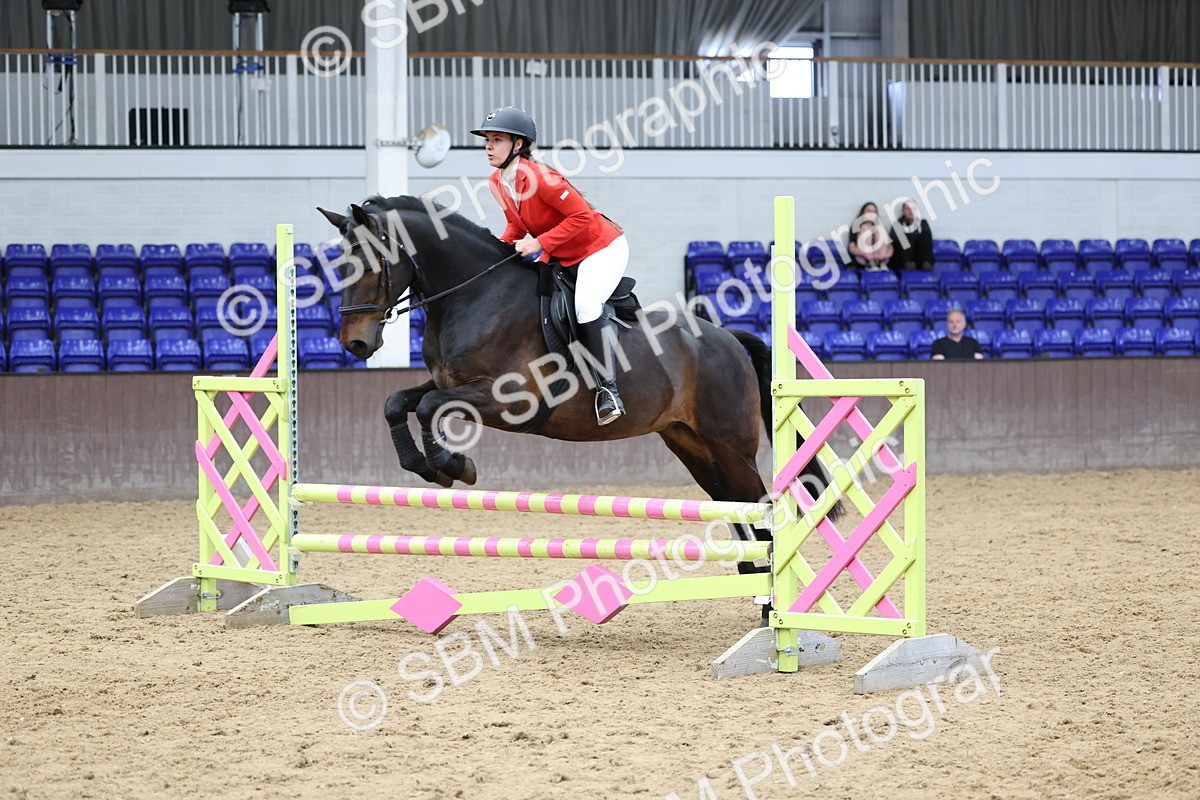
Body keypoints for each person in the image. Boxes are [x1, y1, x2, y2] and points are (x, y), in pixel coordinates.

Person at [472, 106, 629, 426]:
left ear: (518, 146)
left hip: (599, 247)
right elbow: (516, 228)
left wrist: (540, 243)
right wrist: (492, 255)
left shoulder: (541, 178)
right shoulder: (496, 181)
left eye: (497, 139)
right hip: (560, 252)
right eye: (487, 139)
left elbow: (583, 216)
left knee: (586, 305)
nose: (488, 146)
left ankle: (608, 391)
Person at [888, 198, 934, 271]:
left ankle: (927, 263)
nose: (911, 211)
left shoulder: (922, 223)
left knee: (924, 236)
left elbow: (928, 239)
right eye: (907, 209)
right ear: (903, 212)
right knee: (903, 237)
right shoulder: (897, 224)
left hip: (918, 255)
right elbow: (894, 240)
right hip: (902, 258)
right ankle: (908, 263)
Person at [846, 202, 893, 270]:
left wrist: (884, 255)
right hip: (863, 259)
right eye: (868, 211)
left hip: (879, 258)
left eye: (873, 211)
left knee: (880, 228)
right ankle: (870, 264)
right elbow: (852, 248)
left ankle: (880, 263)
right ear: (863, 213)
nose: (871, 213)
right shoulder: (856, 226)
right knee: (865, 228)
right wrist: (866, 254)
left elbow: (890, 247)